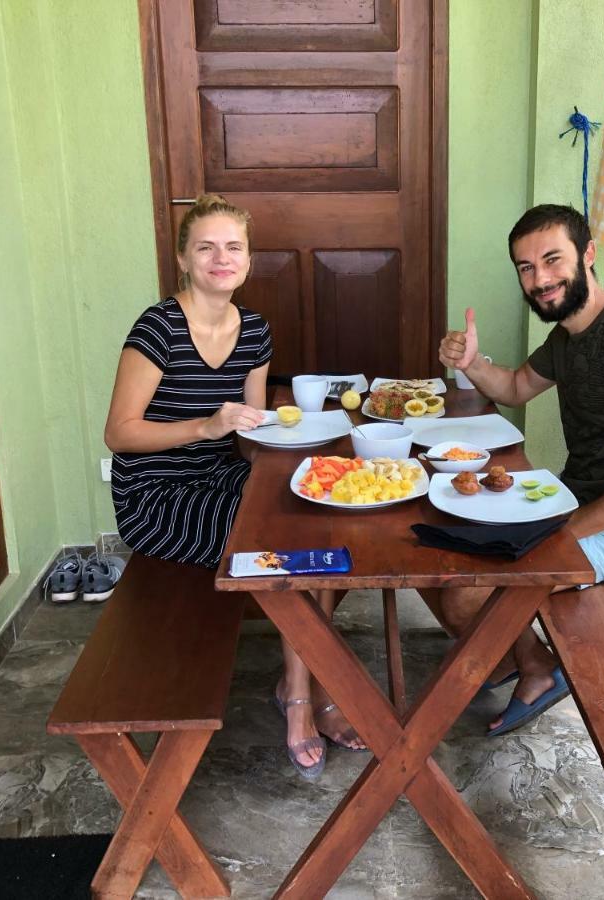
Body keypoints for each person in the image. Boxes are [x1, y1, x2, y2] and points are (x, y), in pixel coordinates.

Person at [103, 194, 363, 780]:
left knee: (317, 518)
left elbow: (249, 436)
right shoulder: (157, 328)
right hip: (157, 495)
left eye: (233, 247)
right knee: (292, 543)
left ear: (247, 260)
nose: (222, 258)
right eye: (206, 247)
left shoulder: (254, 333)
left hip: (224, 477)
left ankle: (303, 678)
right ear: (183, 259)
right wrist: (205, 426)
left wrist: (304, 448)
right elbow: (119, 434)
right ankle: (303, 695)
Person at [429, 203, 604, 736]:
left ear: (588, 254)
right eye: (526, 267)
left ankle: (533, 668)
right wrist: (471, 363)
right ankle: (506, 659)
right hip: (572, 506)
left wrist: (560, 534)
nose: (540, 278)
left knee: (463, 591)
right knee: (434, 547)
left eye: (552, 260)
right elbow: (516, 388)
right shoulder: (572, 333)